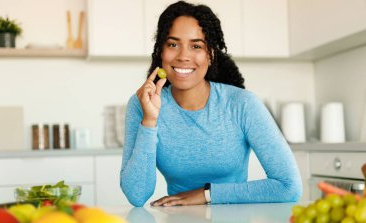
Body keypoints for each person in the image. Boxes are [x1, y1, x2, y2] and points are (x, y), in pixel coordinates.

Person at [120, 1, 302, 207]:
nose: (183, 56)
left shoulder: (242, 104)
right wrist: (149, 121)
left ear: (211, 54)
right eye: (173, 44)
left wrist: (207, 194)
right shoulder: (142, 104)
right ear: (160, 51)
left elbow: (289, 186)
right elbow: (136, 196)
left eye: (196, 46)